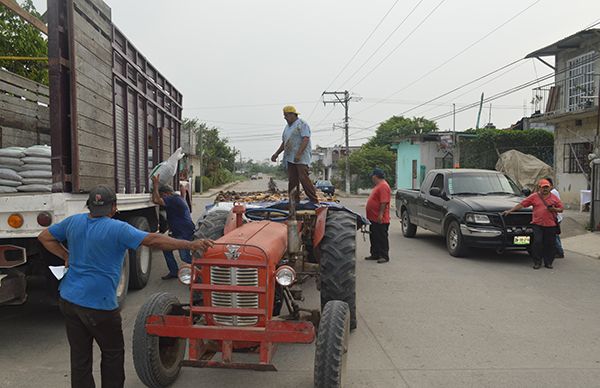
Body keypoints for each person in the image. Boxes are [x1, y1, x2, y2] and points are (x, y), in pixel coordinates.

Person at [37, 185, 213, 388]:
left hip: (69, 300)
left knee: (80, 358)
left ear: (89, 206)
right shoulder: (118, 229)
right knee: (112, 354)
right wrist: (189, 245)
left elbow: (44, 237)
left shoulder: (73, 222)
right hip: (99, 306)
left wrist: (66, 255)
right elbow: (154, 240)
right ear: (113, 207)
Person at [503, 178, 563, 269]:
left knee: (549, 244)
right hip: (537, 224)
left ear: (550, 187)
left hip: (550, 225)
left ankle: (548, 262)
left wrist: (554, 209)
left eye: (547, 187)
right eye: (543, 187)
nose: (545, 189)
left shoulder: (554, 198)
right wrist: (510, 211)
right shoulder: (534, 196)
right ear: (539, 188)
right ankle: (537, 262)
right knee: (537, 242)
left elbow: (561, 209)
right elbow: (522, 204)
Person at [151, 174, 196, 280]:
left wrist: (155, 185)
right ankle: (174, 272)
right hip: (179, 231)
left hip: (183, 232)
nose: (161, 197)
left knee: (184, 256)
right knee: (166, 248)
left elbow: (156, 200)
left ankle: (202, 270)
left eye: (162, 195)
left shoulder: (173, 199)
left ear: (166, 194)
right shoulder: (176, 198)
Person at [271, 105, 319, 204]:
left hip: (301, 157)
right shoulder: (287, 128)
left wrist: (299, 153)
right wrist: (276, 154)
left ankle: (314, 200)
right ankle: (294, 200)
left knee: (303, 177)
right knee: (292, 180)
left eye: (286, 115)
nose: (285, 117)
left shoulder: (302, 124)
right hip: (290, 157)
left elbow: (306, 139)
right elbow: (285, 142)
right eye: (284, 115)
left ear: (293, 115)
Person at [364, 168, 392, 264]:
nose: (372, 178)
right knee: (374, 237)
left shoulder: (383, 186)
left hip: (380, 219)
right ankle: (375, 254)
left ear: (375, 176)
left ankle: (384, 256)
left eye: (373, 176)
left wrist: (380, 215)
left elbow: (383, 202)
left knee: (381, 237)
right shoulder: (378, 186)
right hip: (373, 218)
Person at [546, 177, 565, 258]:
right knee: (555, 235)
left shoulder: (553, 193)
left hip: (555, 217)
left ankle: (559, 251)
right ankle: (559, 250)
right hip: (556, 217)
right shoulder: (554, 191)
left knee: (554, 236)